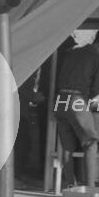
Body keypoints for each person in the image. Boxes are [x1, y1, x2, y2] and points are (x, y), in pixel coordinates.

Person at [54, 30, 99, 187]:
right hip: (77, 101)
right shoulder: (96, 57)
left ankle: (69, 184)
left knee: (67, 147)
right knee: (91, 143)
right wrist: (86, 99)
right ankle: (90, 187)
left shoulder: (71, 53)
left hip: (60, 101)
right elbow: (96, 87)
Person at [36, 36, 77, 166]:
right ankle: (53, 169)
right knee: (56, 137)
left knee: (46, 137)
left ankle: (45, 168)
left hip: (45, 102)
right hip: (54, 102)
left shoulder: (48, 58)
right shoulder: (62, 61)